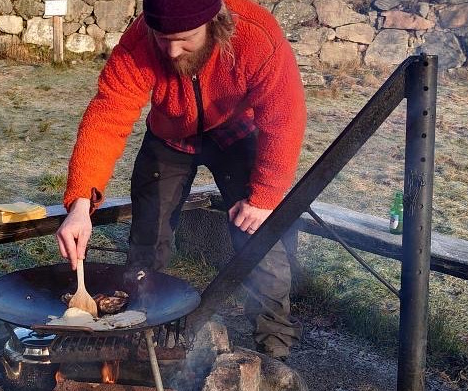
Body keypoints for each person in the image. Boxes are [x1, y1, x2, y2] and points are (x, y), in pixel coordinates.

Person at [55, 0, 306, 360]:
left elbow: (285, 117)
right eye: (162, 38)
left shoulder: (255, 34)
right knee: (148, 238)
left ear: (214, 22)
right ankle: (141, 331)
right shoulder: (138, 43)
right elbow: (107, 117)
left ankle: (274, 347)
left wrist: (265, 196)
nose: (172, 51)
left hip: (236, 131)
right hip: (168, 137)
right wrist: (80, 205)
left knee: (260, 240)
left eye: (185, 38)